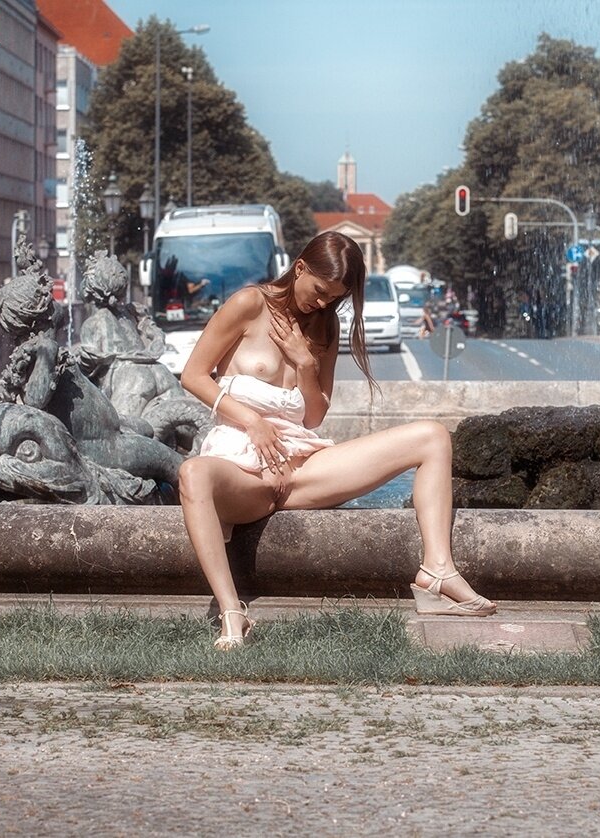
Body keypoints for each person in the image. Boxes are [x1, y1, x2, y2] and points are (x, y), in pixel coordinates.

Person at [178, 231, 496, 651]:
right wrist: (252, 421)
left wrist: (304, 363)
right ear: (300, 268)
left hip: (302, 468)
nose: (323, 303)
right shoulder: (249, 304)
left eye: (335, 298)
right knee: (193, 473)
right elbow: (192, 375)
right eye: (320, 290)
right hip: (243, 470)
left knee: (433, 437)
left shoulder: (326, 324)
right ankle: (232, 611)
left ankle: (437, 571)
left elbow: (313, 417)